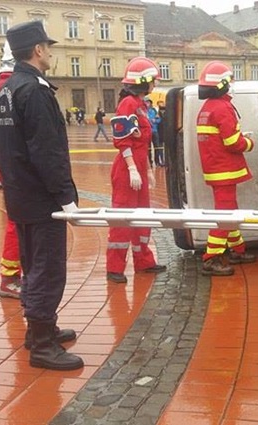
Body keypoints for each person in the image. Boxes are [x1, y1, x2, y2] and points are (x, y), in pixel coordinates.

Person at [0, 20, 82, 371]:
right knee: (48, 270)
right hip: (42, 199)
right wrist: (65, 196)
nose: (51, 53)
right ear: (38, 50)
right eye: (49, 47)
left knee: (31, 266)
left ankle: (39, 330)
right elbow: (47, 151)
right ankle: (43, 346)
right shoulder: (35, 91)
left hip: (20, 195)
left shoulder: (7, 89)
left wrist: (12, 184)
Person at [106, 57, 166, 283]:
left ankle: (144, 261)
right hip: (126, 170)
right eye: (153, 80)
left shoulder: (141, 105)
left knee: (142, 217)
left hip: (138, 167)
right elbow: (123, 140)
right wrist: (132, 168)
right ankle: (114, 267)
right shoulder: (128, 104)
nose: (155, 84)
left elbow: (143, 142)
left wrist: (147, 169)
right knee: (123, 218)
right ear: (143, 81)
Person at [196, 61, 257, 276]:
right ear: (221, 84)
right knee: (225, 214)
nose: (232, 85)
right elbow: (232, 143)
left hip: (216, 168)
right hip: (225, 169)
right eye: (229, 81)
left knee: (230, 210)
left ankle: (237, 250)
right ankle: (211, 258)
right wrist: (249, 143)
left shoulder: (208, 107)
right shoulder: (222, 108)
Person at [0, 41, 22, 299]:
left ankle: (14, 276)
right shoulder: (8, 87)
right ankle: (9, 279)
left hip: (9, 168)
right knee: (16, 224)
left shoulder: (2, 86)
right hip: (15, 170)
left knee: (18, 223)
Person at [147, 99, 163, 167]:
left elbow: (159, 119)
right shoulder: (143, 111)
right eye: (146, 102)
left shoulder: (154, 111)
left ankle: (157, 162)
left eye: (148, 102)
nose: (147, 104)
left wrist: (155, 121)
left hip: (155, 131)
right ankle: (150, 162)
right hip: (147, 131)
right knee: (148, 148)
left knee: (157, 147)